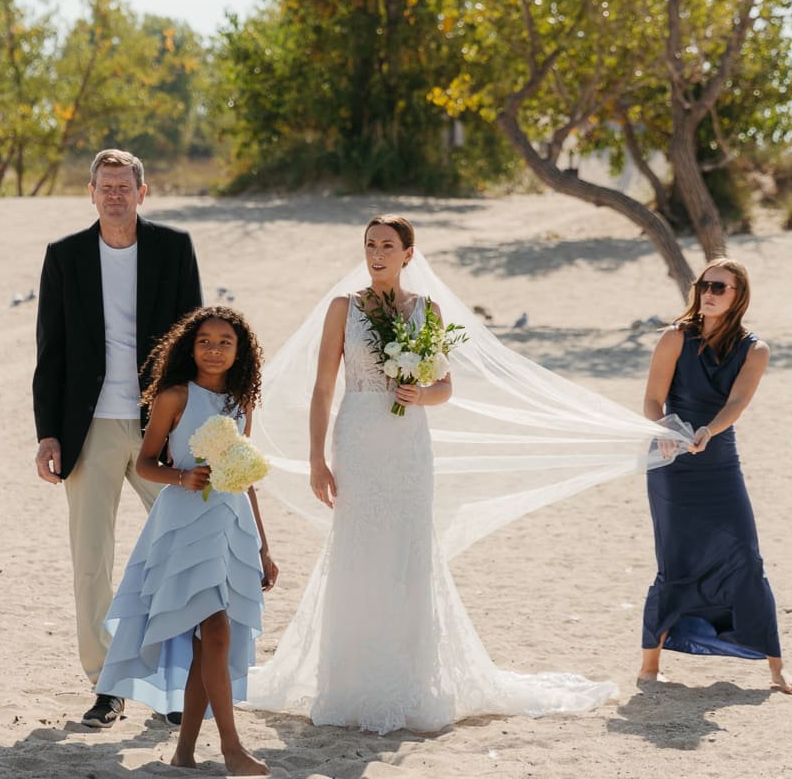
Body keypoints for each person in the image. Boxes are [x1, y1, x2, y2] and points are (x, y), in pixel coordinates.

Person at [245, 215, 621, 734]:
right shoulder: (343, 308)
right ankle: (350, 681)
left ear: (409, 254)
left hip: (408, 446)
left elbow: (446, 386)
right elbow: (322, 389)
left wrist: (422, 394)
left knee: (407, 549)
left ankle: (409, 679)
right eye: (370, 245)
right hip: (357, 438)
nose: (376, 254)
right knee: (357, 548)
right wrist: (316, 459)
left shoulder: (428, 311)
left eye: (387, 246)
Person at [31, 148, 204, 729]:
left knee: (181, 549)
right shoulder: (64, 257)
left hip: (162, 424)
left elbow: (194, 342)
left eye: (123, 186)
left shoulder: (174, 248)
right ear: (91, 192)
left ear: (142, 192)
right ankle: (107, 686)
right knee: (92, 562)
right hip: (90, 429)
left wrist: (193, 420)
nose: (114, 195)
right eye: (104, 186)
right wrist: (48, 434)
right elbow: (49, 351)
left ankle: (173, 685)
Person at [97, 307, 278, 774]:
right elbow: (145, 464)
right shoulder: (174, 396)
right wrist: (182, 476)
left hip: (229, 524)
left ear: (239, 353)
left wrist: (262, 545)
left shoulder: (241, 402)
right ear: (189, 347)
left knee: (210, 643)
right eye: (204, 341)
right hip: (183, 523)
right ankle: (232, 748)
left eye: (224, 342)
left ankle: (184, 753)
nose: (214, 350)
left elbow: (246, 475)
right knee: (215, 632)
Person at [638, 257, 792, 694]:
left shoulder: (755, 349)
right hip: (671, 461)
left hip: (719, 460)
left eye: (719, 288)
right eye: (704, 285)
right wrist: (667, 430)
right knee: (675, 560)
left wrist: (710, 430)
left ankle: (775, 668)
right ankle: (649, 667)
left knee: (746, 557)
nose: (708, 293)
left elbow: (736, 404)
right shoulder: (675, 337)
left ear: (737, 297)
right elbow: (653, 400)